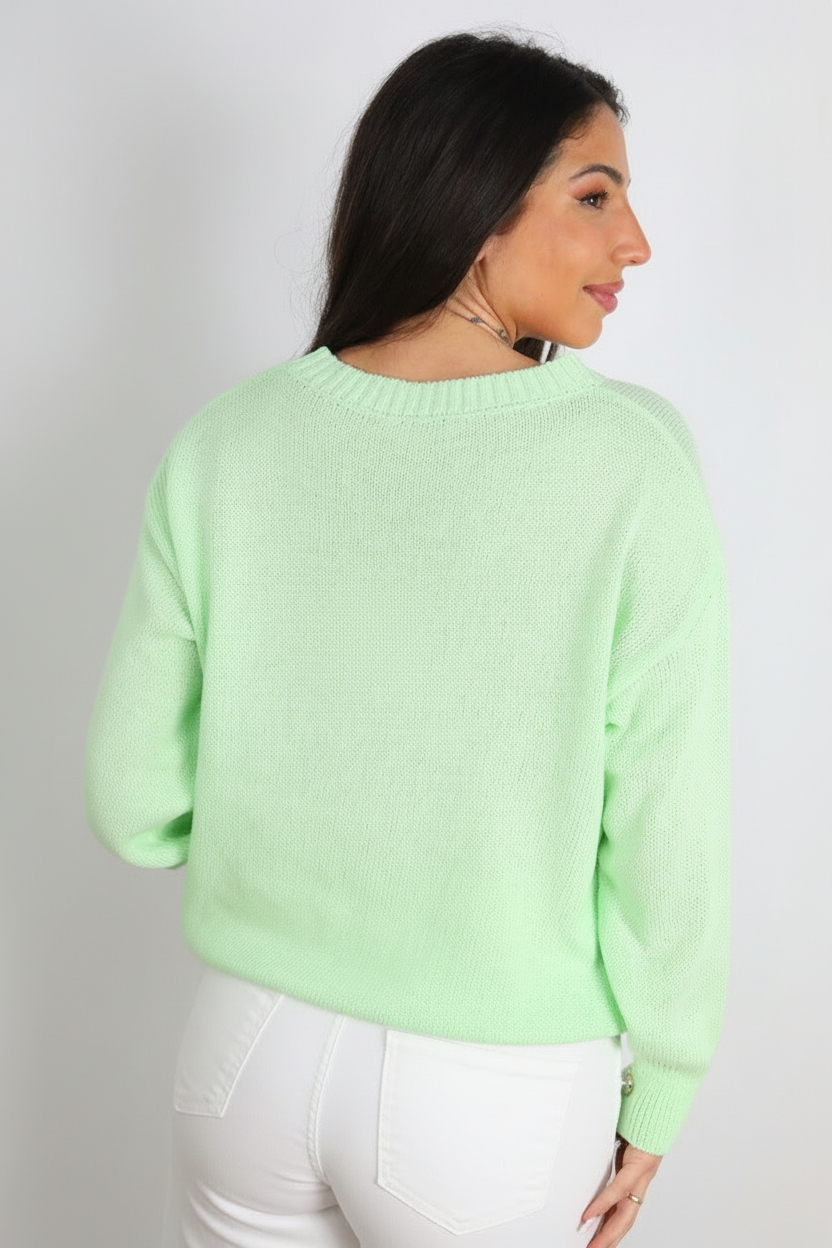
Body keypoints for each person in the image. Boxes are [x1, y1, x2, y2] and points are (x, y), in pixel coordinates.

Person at [83, 27, 731, 1248]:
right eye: (595, 196)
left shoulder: (229, 441)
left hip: (244, 1056)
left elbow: (131, 803)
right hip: (493, 1088)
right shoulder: (629, 460)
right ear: (476, 205)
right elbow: (666, 823)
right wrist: (667, 1080)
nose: (634, 242)